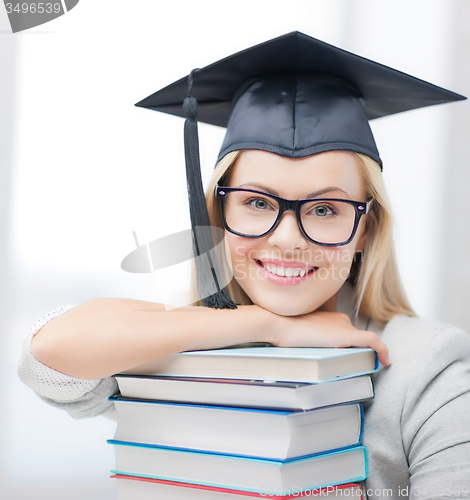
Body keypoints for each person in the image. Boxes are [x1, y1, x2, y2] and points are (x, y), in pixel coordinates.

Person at [18, 32, 470, 499]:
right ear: (220, 219)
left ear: (366, 231)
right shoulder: (180, 348)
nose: (287, 238)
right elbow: (48, 355)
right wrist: (267, 326)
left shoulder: (427, 368)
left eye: (324, 210)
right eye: (256, 202)